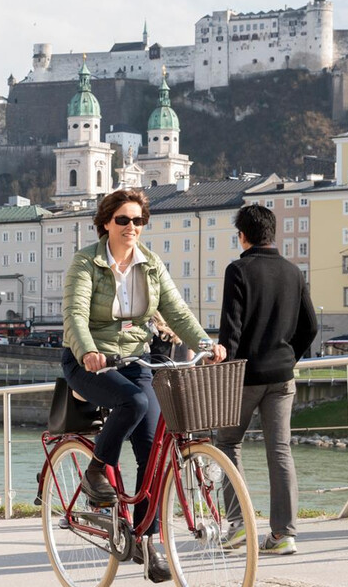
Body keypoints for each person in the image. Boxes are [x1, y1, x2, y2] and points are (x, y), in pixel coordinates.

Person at [61, 188, 226, 583]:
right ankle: (96, 470)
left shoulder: (150, 264)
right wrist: (87, 351)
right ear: (106, 223)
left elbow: (177, 311)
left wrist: (205, 343)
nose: (132, 227)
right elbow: (75, 315)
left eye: (138, 220)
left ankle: (147, 541)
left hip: (135, 359)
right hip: (89, 360)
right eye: (123, 220)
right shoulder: (86, 262)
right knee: (133, 402)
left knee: (153, 451)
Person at [214, 204, 317, 556]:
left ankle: (239, 524)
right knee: (280, 451)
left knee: (226, 445)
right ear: (273, 233)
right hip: (282, 376)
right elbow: (311, 326)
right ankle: (283, 534)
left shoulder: (239, 269)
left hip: (245, 374)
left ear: (242, 235)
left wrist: (223, 356)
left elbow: (232, 327)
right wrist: (289, 357)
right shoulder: (293, 271)